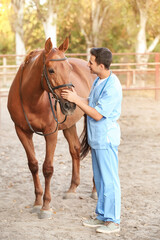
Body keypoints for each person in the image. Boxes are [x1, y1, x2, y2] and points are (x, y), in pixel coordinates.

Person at [61, 47, 122, 234]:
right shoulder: (98, 81)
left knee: (110, 180)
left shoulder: (112, 86)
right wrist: (76, 97)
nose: (88, 64)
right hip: (97, 139)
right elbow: (91, 101)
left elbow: (96, 114)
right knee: (101, 179)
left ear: (101, 65)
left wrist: (76, 100)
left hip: (106, 138)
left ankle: (113, 221)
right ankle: (102, 216)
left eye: (91, 62)